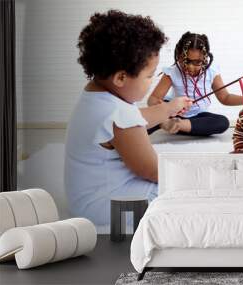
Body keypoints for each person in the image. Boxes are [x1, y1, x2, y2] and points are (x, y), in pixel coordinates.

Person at [64, 10, 191, 225]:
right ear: (121, 78)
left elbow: (135, 119)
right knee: (181, 196)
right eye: (150, 75)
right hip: (107, 207)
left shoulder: (95, 96)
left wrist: (169, 108)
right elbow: (151, 170)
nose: (152, 81)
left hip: (84, 199)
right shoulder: (119, 115)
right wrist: (188, 175)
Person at [147, 31, 243, 136]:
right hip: (174, 113)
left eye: (197, 62)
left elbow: (225, 98)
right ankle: (170, 123)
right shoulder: (172, 72)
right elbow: (153, 99)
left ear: (205, 59)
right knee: (143, 121)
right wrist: (166, 107)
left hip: (197, 116)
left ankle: (178, 125)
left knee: (223, 122)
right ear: (179, 56)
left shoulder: (212, 72)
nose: (191, 67)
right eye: (186, 61)